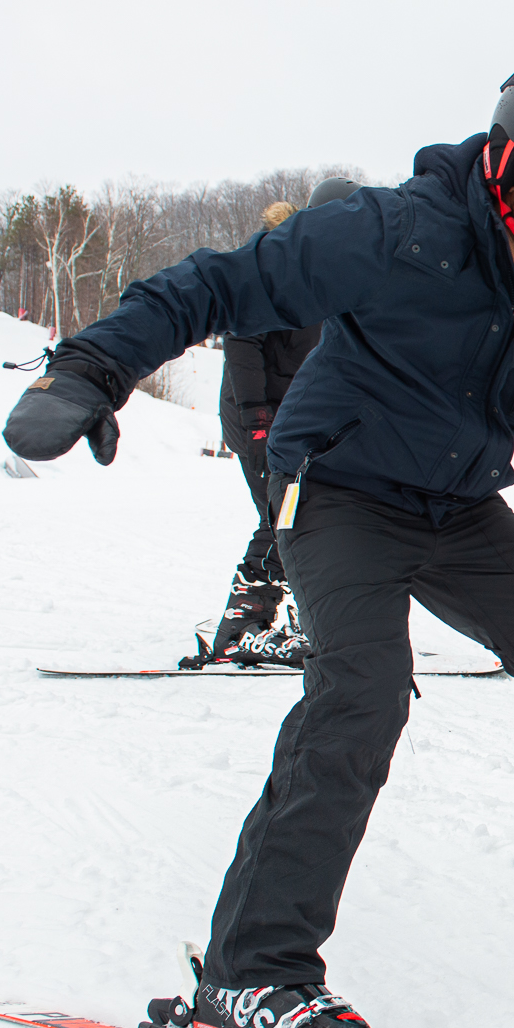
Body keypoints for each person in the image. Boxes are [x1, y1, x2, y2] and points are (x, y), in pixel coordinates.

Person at [2, 60, 514, 1028]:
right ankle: (250, 975)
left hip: (458, 506)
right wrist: (93, 367)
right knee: (362, 694)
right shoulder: (395, 232)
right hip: (336, 491)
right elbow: (220, 283)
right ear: (508, 161)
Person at [198, 177, 362, 668]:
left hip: (297, 418)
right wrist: (256, 418)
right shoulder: (272, 267)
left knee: (309, 514)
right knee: (283, 516)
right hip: (260, 418)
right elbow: (242, 342)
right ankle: (240, 625)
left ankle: (307, 616)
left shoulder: (332, 274)